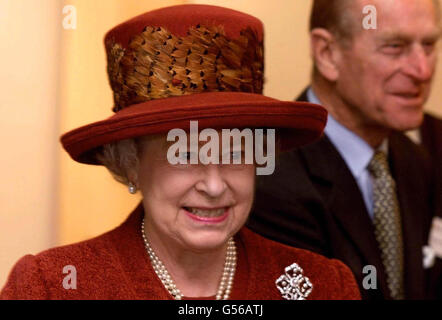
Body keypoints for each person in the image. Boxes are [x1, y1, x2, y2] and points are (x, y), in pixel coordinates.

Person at [0, 4, 360, 300]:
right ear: (130, 164)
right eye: (185, 155)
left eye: (235, 153)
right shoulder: (51, 287)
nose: (215, 185)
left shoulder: (323, 286)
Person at [248, 0, 441, 300]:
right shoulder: (268, 178)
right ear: (328, 54)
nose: (422, 69)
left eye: (428, 44)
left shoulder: (416, 158)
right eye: (394, 46)